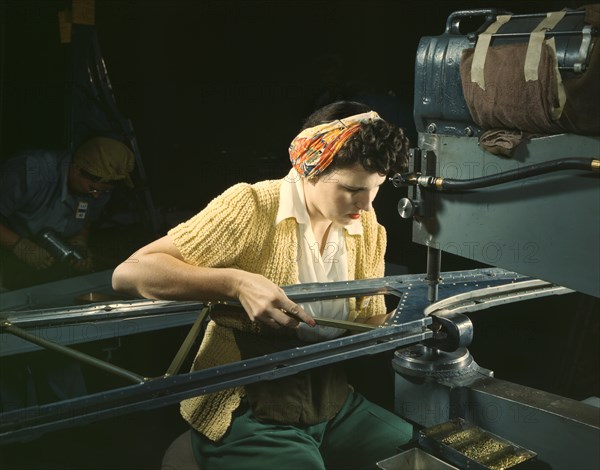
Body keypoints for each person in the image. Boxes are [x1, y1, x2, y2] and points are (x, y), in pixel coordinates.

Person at [112, 101, 412, 469]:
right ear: (310, 168)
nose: (365, 205)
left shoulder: (365, 227)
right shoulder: (253, 207)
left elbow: (364, 325)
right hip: (249, 404)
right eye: (352, 189)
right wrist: (235, 283)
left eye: (376, 188)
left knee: (418, 456)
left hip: (330, 401)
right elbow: (130, 273)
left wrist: (410, 317)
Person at [0, 136, 135, 290]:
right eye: (93, 188)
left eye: (103, 191)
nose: (96, 195)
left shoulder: (100, 190)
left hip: (48, 258)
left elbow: (88, 216)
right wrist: (18, 245)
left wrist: (80, 240)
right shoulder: (30, 171)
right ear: (76, 169)